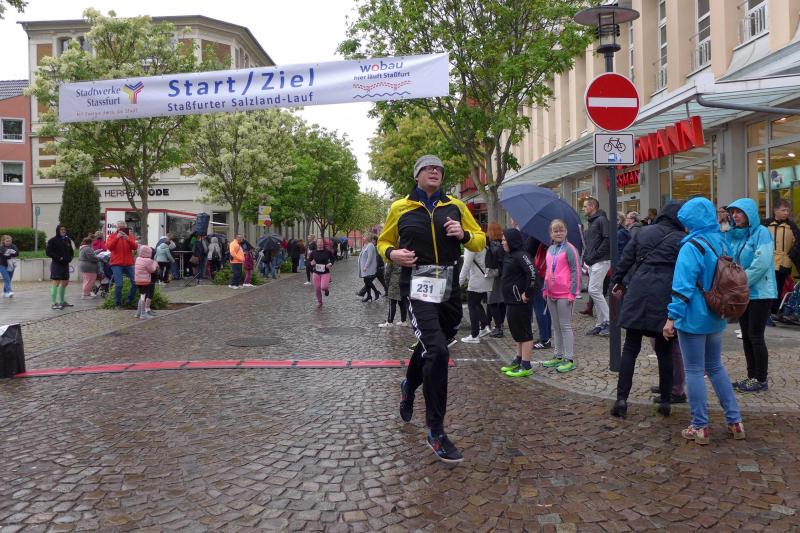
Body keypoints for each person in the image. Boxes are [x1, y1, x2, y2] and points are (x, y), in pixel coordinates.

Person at [379, 154, 485, 463]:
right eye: (428, 167)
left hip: (448, 290)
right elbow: (384, 242)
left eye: (439, 168)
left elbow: (479, 241)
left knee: (432, 346)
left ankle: (409, 384)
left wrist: (464, 234)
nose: (435, 171)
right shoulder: (400, 208)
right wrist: (393, 254)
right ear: (417, 175)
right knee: (437, 351)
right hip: (418, 287)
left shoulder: (456, 206)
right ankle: (436, 430)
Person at [664, 197, 745, 445]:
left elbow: (682, 287)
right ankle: (735, 421)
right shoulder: (722, 242)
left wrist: (671, 318)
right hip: (717, 314)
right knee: (716, 367)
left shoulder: (691, 246)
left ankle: (700, 426)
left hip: (693, 317)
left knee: (694, 370)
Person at [609, 201, 685, 418]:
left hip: (639, 291)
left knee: (630, 348)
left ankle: (621, 400)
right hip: (665, 294)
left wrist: (617, 282)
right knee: (664, 350)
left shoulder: (642, 232)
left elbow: (626, 260)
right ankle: (666, 402)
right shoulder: (681, 239)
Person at [726, 198, 776, 393]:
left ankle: (761, 379)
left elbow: (761, 263)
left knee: (755, 335)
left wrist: (738, 282)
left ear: (750, 214)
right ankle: (751, 376)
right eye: (733, 212)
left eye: (739, 212)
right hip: (743, 292)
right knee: (746, 335)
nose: (735, 215)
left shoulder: (761, 232)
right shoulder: (735, 234)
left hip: (760, 293)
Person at [541, 220, 580, 373]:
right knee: (555, 326)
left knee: (565, 326)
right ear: (551, 233)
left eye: (561, 230)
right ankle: (558, 356)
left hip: (565, 293)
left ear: (566, 232)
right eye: (555, 231)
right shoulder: (550, 249)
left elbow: (576, 271)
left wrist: (573, 292)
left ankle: (569, 359)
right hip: (551, 293)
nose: (558, 233)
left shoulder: (570, 249)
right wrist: (545, 289)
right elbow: (548, 270)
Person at [498, 228, 537, 378]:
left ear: (512, 240)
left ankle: (526, 365)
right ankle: (519, 360)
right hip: (511, 301)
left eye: (504, 240)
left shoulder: (522, 255)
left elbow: (532, 273)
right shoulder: (510, 255)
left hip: (521, 301)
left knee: (524, 332)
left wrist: (528, 292)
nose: (502, 242)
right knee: (517, 331)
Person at [764, 199, 800, 317]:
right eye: (783, 210)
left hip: (784, 262)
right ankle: (768, 311)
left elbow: (798, 242)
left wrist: (791, 255)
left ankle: (775, 310)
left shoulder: (791, 226)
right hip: (768, 261)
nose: (786, 213)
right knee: (768, 287)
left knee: (779, 286)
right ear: (775, 211)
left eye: (787, 210)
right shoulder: (765, 224)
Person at [582, 197, 611, 336]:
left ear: (592, 206)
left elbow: (607, 240)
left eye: (585, 206)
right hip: (594, 261)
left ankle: (609, 321)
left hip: (601, 260)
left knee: (593, 290)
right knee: (596, 291)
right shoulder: (593, 221)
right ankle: (601, 324)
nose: (583, 209)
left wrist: (594, 255)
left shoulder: (601, 220)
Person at [458, 243, 493, 343]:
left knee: (472, 305)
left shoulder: (471, 246)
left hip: (477, 279)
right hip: (486, 277)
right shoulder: (481, 243)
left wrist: (458, 283)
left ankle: (474, 335)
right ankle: (484, 326)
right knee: (476, 304)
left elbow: (466, 266)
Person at [106, 221, 138, 307]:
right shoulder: (112, 236)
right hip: (116, 263)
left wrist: (128, 239)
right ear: (117, 228)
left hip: (129, 263)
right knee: (119, 284)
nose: (122, 229)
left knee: (136, 282)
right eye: (120, 227)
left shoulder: (129, 236)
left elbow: (135, 247)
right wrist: (117, 238)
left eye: (123, 228)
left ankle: (129, 301)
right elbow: (109, 247)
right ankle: (118, 304)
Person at [46, 224, 75, 310]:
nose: (63, 231)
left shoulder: (67, 240)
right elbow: (48, 252)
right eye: (61, 229)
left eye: (64, 229)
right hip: (57, 264)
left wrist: (70, 258)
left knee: (65, 282)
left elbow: (71, 251)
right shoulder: (52, 240)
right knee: (56, 282)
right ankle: (53, 303)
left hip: (65, 264)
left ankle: (62, 302)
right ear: (58, 231)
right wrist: (59, 258)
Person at [485, 222, 506, 337]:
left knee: (492, 301)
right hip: (504, 275)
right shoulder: (503, 244)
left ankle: (498, 328)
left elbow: (489, 263)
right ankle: (500, 324)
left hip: (494, 276)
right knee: (502, 301)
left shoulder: (491, 246)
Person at [379, 261, 408, 327]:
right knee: (402, 303)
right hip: (403, 282)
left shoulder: (392, 259)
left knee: (392, 303)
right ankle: (403, 321)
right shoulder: (405, 258)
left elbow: (387, 273)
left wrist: (387, 283)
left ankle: (389, 322)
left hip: (394, 283)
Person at [134, 245, 159, 319]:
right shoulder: (148, 260)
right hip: (145, 281)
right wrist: (154, 264)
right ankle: (143, 314)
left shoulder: (138, 259)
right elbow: (152, 270)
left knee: (141, 296)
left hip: (137, 280)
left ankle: (138, 313)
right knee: (143, 297)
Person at [310, 237, 335, 307]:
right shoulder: (313, 252)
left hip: (325, 272)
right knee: (317, 289)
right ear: (316, 244)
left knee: (323, 287)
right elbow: (309, 261)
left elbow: (333, 259)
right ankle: (320, 302)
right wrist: (311, 263)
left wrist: (330, 264)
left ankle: (326, 290)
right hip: (316, 273)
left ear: (323, 243)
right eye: (318, 242)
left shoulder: (327, 252)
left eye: (321, 242)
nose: (320, 244)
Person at [358, 234, 381, 302]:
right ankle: (369, 296)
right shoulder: (366, 245)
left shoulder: (370, 245)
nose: (363, 238)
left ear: (368, 238)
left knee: (367, 281)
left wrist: (366, 266)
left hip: (368, 268)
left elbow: (370, 258)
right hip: (365, 268)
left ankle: (376, 292)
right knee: (366, 281)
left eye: (364, 237)